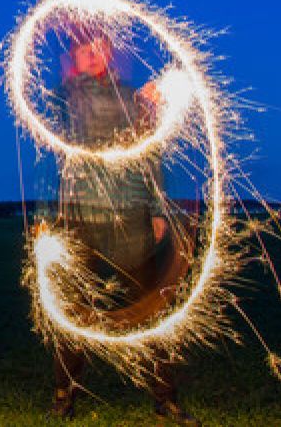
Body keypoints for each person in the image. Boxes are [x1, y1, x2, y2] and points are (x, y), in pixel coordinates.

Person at [44, 31, 199, 425]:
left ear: (110, 53)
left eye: (99, 48)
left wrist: (156, 208)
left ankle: (165, 397)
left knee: (150, 309)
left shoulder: (134, 96)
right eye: (83, 50)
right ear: (73, 59)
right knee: (73, 311)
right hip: (80, 217)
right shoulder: (65, 98)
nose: (92, 55)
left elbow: (150, 154)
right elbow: (49, 109)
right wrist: (66, 77)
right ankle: (65, 393)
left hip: (129, 216)